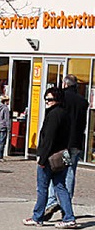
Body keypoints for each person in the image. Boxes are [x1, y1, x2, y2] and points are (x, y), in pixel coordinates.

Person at [23, 85, 79, 229]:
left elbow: (48, 139)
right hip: (61, 156)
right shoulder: (65, 114)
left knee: (42, 188)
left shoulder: (54, 115)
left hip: (50, 158)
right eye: (45, 99)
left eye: (50, 99)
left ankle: (37, 217)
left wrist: (41, 158)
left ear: (57, 99)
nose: (47, 102)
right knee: (60, 186)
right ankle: (69, 217)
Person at [44, 74, 89, 220]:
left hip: (61, 142)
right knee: (70, 174)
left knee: (54, 171)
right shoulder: (83, 101)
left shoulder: (60, 98)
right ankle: (66, 206)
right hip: (76, 143)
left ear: (64, 84)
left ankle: (53, 202)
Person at [0, 95, 10, 160]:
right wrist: (8, 127)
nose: (9, 102)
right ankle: (0, 156)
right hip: (3, 126)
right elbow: (7, 119)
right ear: (5, 101)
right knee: (2, 141)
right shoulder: (5, 108)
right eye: (8, 101)